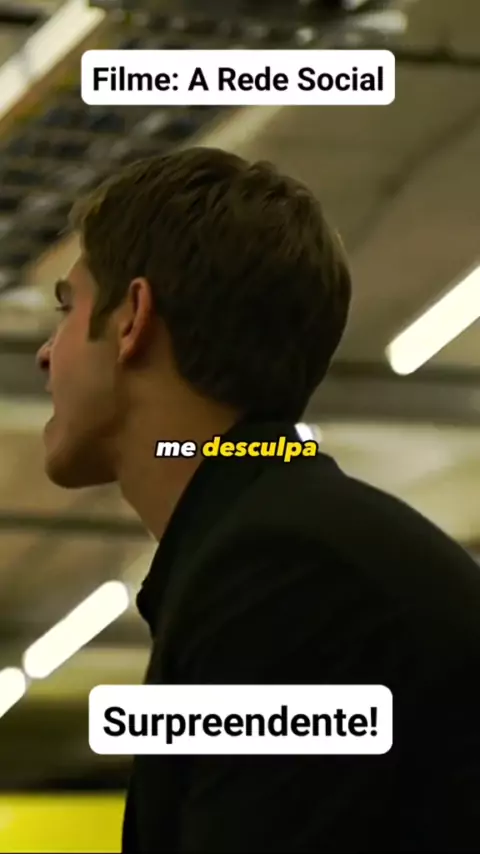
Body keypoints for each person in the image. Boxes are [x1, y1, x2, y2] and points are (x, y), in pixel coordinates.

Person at [36, 147, 480, 853]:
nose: (45, 353)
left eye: (67, 308)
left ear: (131, 319)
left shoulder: (286, 577)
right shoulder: (292, 540)